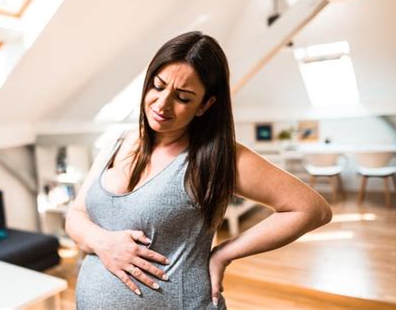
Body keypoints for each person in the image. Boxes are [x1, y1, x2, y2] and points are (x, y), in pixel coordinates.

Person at [65, 31, 332, 309]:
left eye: (182, 97)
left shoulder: (217, 157)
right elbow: (76, 215)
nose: (162, 104)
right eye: (158, 86)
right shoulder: (115, 142)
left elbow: (312, 209)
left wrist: (223, 254)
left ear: (205, 105)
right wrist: (102, 242)